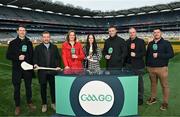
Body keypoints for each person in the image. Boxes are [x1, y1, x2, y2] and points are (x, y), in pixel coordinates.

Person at [6, 25, 36, 116]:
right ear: (17, 32)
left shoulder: (29, 42)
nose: (22, 32)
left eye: (24, 30)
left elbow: (32, 55)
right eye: (20, 30)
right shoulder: (12, 43)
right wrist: (17, 57)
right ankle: (17, 106)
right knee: (17, 89)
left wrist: (31, 62)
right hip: (17, 69)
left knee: (28, 87)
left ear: (25, 32)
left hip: (27, 69)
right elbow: (8, 56)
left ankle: (29, 102)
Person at [146, 28, 174, 110]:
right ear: (153, 34)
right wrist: (147, 65)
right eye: (154, 32)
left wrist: (159, 55)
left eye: (158, 32)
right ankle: (153, 98)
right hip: (151, 68)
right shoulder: (150, 43)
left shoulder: (166, 43)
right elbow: (147, 55)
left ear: (161, 33)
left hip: (162, 68)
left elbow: (171, 54)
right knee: (153, 84)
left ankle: (165, 102)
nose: (156, 34)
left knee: (164, 85)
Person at [33, 31, 61, 112]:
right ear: (42, 38)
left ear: (50, 37)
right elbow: (35, 58)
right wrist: (35, 64)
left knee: (53, 89)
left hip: (52, 72)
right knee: (43, 89)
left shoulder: (54, 47)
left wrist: (58, 66)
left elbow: (58, 58)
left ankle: (53, 103)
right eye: (44, 37)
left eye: (47, 37)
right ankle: (44, 104)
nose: (46, 38)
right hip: (42, 73)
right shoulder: (38, 47)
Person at [126, 27, 146, 105]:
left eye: (133, 32)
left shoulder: (141, 41)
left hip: (138, 65)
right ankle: (131, 96)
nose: (132, 34)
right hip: (128, 65)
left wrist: (136, 54)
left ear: (136, 32)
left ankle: (140, 98)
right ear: (129, 33)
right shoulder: (127, 42)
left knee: (139, 83)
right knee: (129, 82)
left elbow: (144, 52)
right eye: (130, 32)